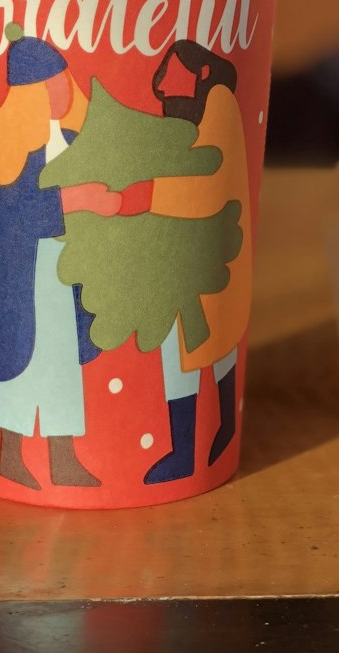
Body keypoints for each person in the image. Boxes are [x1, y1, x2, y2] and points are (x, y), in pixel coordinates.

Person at [0, 24, 101, 491]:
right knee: (23, 362)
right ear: (31, 93)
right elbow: (11, 212)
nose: (63, 90)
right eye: (52, 84)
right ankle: (10, 454)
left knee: (60, 361)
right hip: (22, 272)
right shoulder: (10, 147)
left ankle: (63, 458)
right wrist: (75, 201)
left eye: (64, 81)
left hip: (61, 269)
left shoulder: (72, 138)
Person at [143, 41, 249, 484]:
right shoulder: (183, 119)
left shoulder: (219, 109)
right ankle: (184, 450)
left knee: (215, 348)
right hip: (174, 263)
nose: (168, 97)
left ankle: (219, 431)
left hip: (208, 258)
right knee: (180, 358)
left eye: (174, 87)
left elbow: (208, 177)